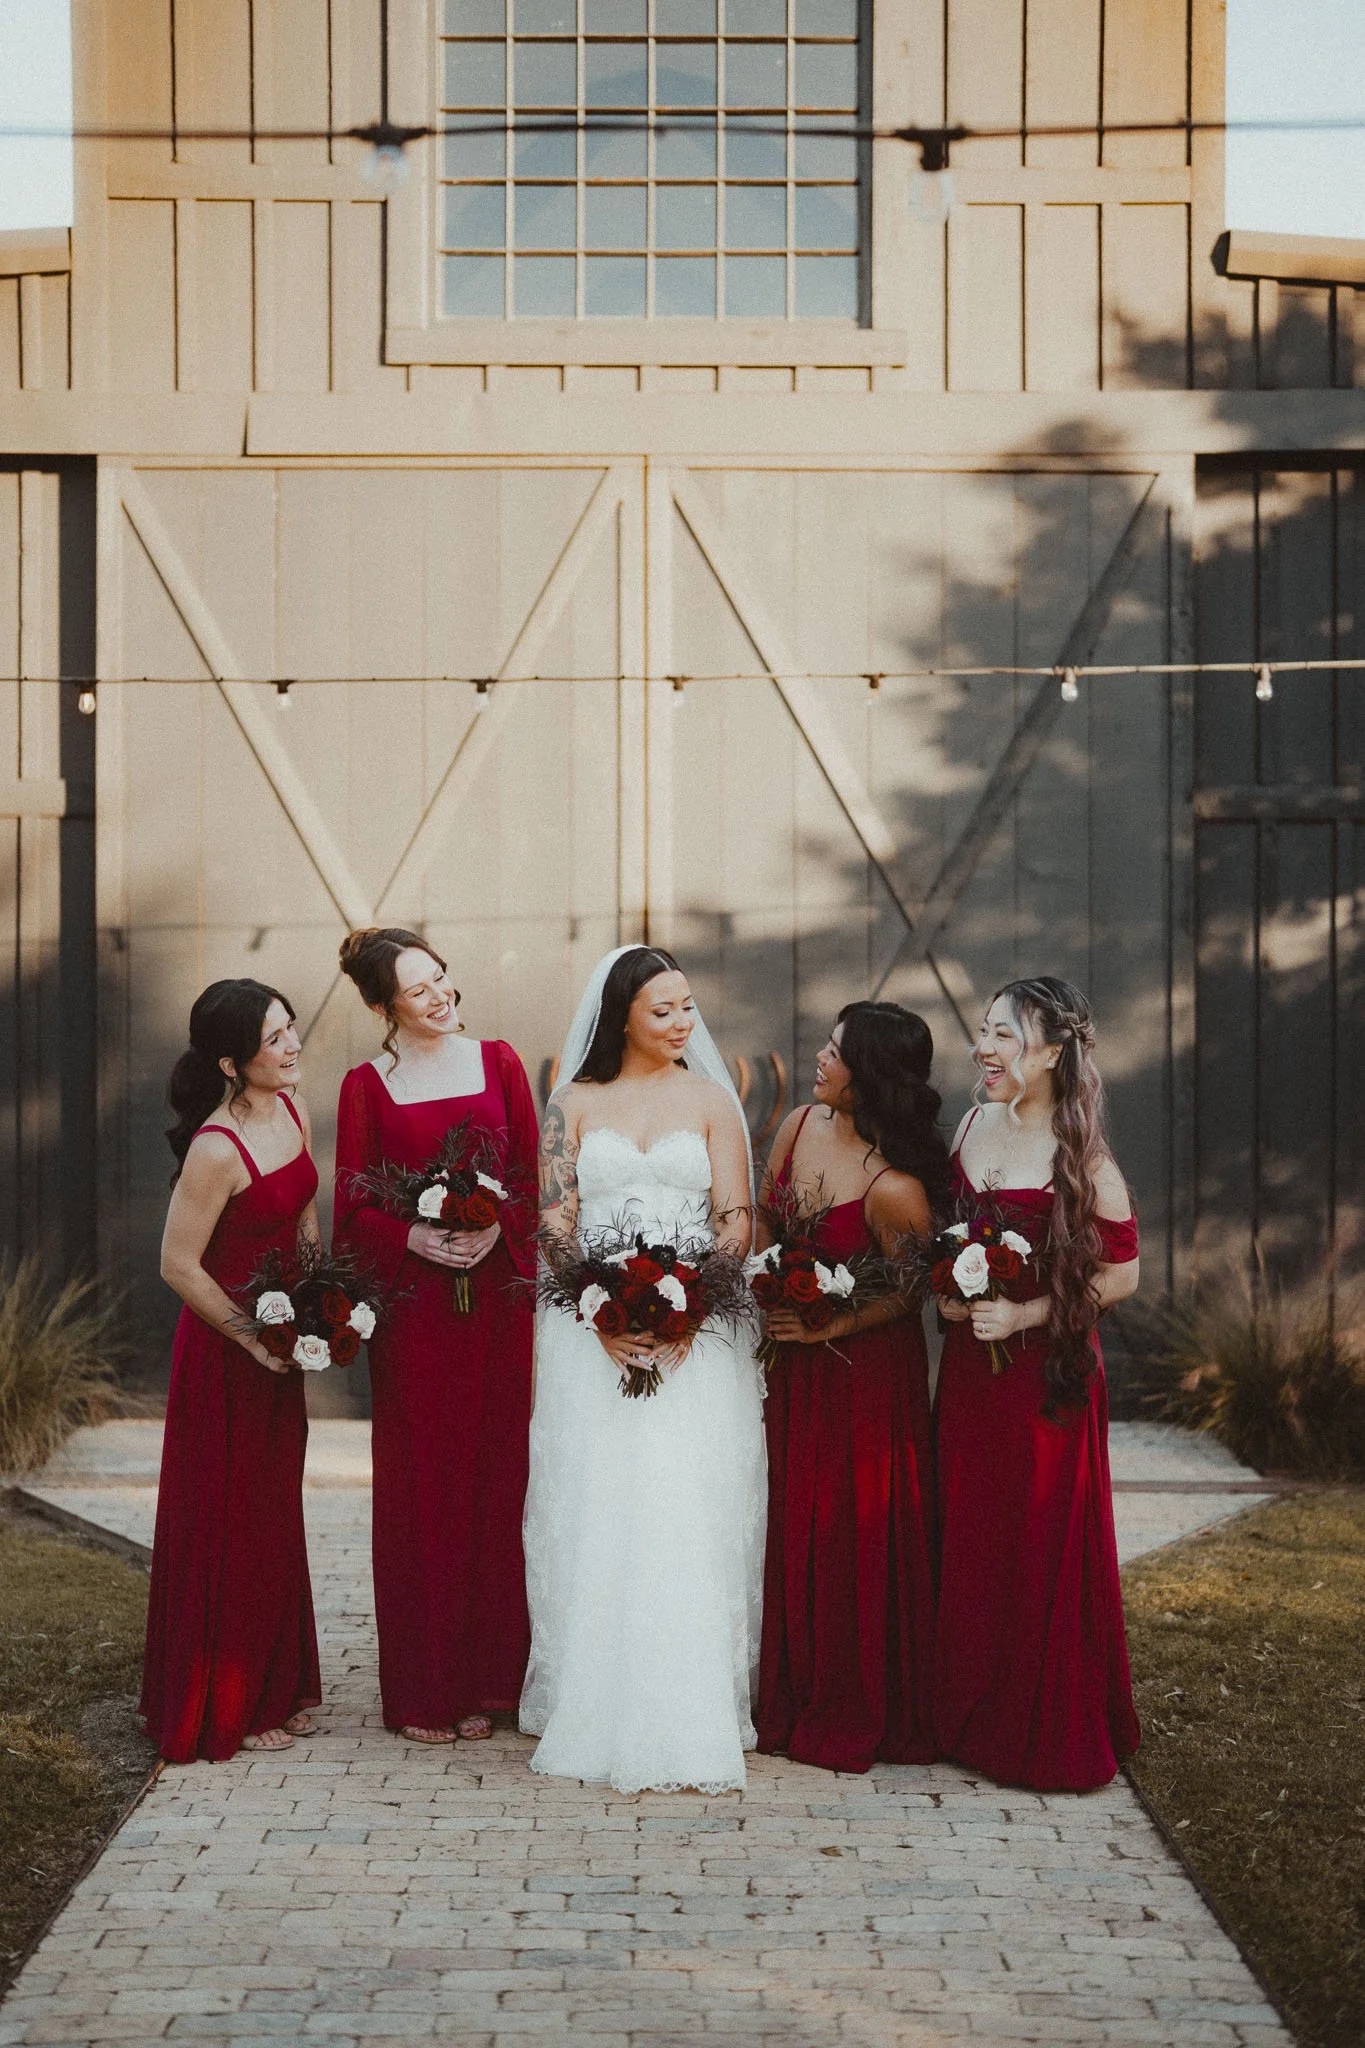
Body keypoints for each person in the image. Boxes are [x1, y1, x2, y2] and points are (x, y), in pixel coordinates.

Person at [520, 945, 767, 1794]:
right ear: (620, 1014)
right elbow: (556, 1218)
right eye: (662, 1010)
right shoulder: (572, 1102)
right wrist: (595, 1313)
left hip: (693, 1337)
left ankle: (690, 1701)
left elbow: (735, 1217)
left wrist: (693, 1304)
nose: (682, 1023)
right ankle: (595, 1695)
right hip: (591, 1334)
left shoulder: (710, 1101)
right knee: (601, 1502)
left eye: (688, 1007)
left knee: (682, 1502)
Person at [934, 974, 1141, 1792]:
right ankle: (966, 1715)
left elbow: (1121, 1277)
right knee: (972, 1536)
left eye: (1003, 1035)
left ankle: (1033, 1723)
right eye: (982, 1032)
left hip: (1042, 1378)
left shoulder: (1078, 1152)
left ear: (1052, 1050)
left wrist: (1021, 1319)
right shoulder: (973, 1124)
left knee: (1034, 1543)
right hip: (969, 1375)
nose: (983, 1048)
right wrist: (950, 1292)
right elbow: (952, 1238)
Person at [334, 928, 537, 1745]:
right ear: (384, 1008)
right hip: (415, 1317)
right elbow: (352, 1206)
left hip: (496, 1304)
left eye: (442, 978)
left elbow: (529, 1179)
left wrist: (498, 1230)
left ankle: (489, 1681)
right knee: (424, 1488)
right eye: (418, 990)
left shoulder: (501, 1063)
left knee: (499, 1478)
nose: (441, 996)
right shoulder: (365, 1087)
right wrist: (411, 1239)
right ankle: (423, 1690)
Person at [756, 1002, 948, 1773]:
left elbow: (909, 1293)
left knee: (846, 1534)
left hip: (862, 1377)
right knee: (787, 1521)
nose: (820, 1061)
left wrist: (827, 1328)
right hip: (790, 1360)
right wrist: (767, 1285)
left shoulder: (893, 1186)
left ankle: (849, 1696)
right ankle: (785, 1689)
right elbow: (767, 1221)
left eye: (836, 1055)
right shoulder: (798, 1124)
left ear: (869, 1078)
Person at [141, 979, 322, 1762]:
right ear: (229, 1061)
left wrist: (324, 1304)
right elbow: (177, 1264)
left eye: (290, 1029)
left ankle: (278, 1681)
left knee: (276, 1511)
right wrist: (252, 1337)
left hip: (287, 1345)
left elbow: (303, 1216)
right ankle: (229, 1700)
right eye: (274, 1038)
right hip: (226, 1356)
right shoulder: (216, 1149)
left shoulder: (292, 1109)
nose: (292, 1046)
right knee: (232, 1520)